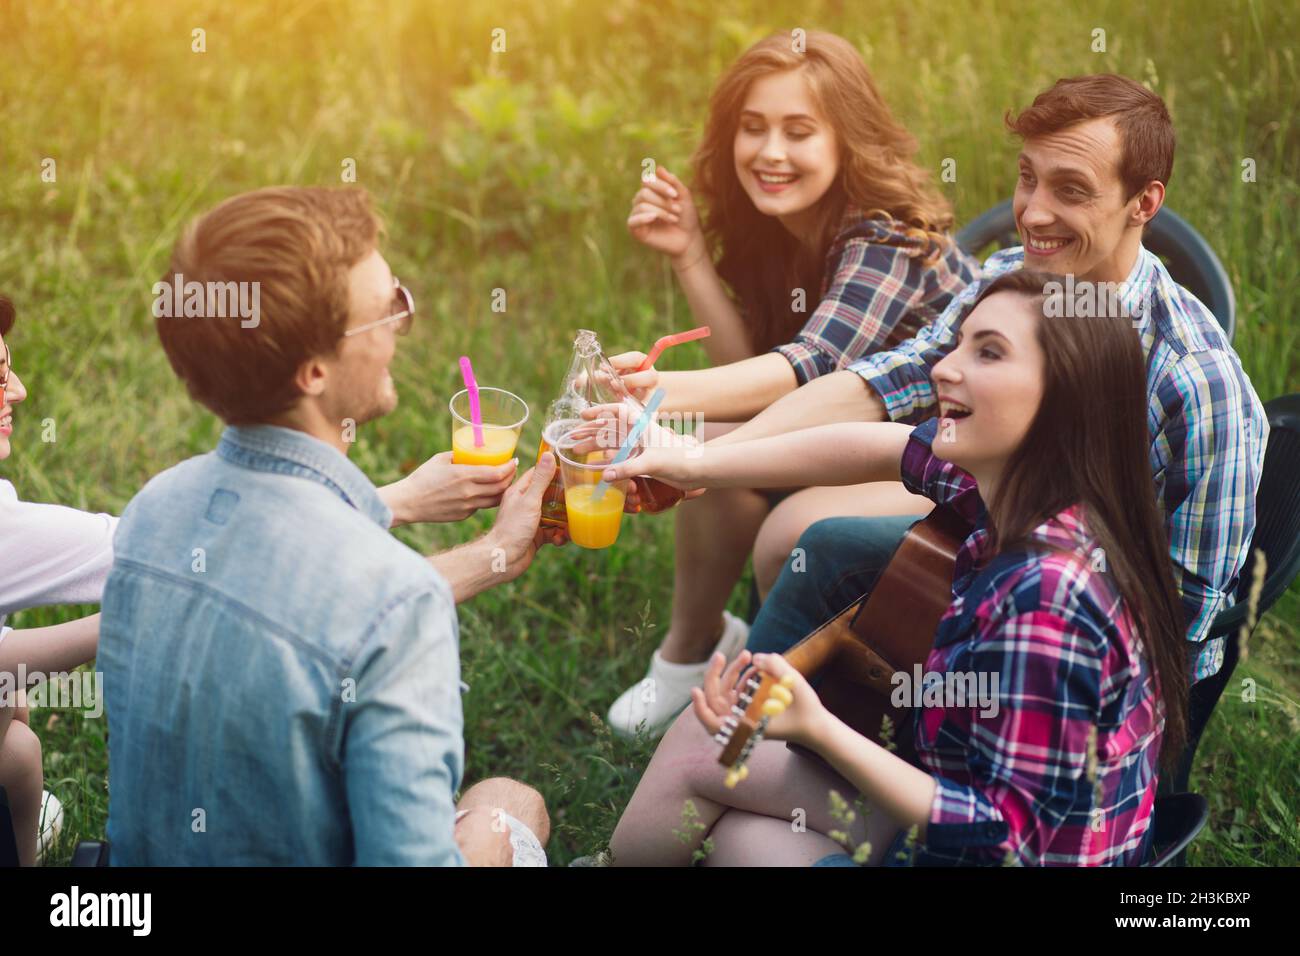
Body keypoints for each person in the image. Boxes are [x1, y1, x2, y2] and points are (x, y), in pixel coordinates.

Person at [706, 74, 1265, 703]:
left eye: (1072, 190)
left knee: (835, 556)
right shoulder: (1011, 278)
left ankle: (793, 741)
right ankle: (767, 729)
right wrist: (702, 462)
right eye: (1028, 177)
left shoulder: (1195, 378)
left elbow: (1188, 606)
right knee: (818, 542)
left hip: (1082, 650)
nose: (1033, 213)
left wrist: (999, 651)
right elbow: (892, 379)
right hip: (986, 534)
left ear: (1144, 202)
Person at [602, 270, 1187, 865]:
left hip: (982, 849)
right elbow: (876, 446)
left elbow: (1006, 840)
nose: (944, 367)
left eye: (988, 352)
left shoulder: (1047, 593)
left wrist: (819, 730)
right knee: (737, 820)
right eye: (958, 343)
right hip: (948, 804)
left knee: (738, 821)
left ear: (1066, 397)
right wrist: (692, 461)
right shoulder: (1031, 485)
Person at [99, 186, 555, 865]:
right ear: (313, 371)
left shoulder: (151, 514)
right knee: (514, 807)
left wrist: (494, 551)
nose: (403, 322)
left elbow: (299, 601)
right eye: (386, 309)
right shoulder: (397, 602)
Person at [605, 31, 977, 737]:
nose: (770, 152)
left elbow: (808, 367)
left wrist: (651, 394)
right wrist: (690, 255)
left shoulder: (889, 241)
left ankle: (800, 714)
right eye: (753, 128)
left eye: (798, 132)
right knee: (710, 438)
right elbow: (754, 366)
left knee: (791, 528)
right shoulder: (780, 225)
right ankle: (692, 651)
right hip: (849, 436)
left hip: (945, 462)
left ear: (850, 141)